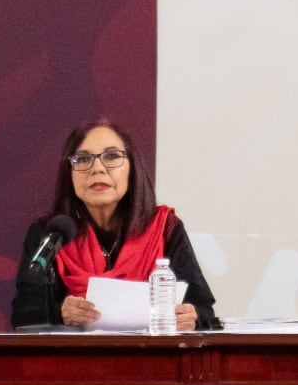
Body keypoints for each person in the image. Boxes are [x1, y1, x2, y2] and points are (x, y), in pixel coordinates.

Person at [12, 119, 219, 331]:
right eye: (83, 159)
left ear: (132, 168)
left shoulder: (165, 228)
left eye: (111, 156)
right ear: (70, 173)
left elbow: (203, 310)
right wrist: (58, 313)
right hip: (73, 360)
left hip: (151, 359)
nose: (97, 168)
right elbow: (23, 314)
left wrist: (191, 317)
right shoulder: (51, 233)